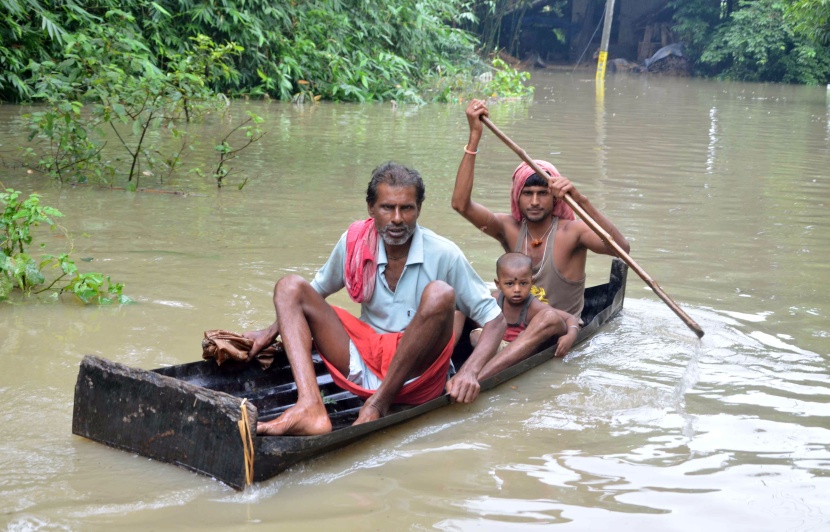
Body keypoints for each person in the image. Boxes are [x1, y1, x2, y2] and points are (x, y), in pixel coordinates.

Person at [245, 162, 506, 436]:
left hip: (418, 373)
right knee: (289, 287)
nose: (397, 218)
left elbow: (496, 321)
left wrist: (470, 372)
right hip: (365, 355)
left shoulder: (444, 252)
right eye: (387, 208)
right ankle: (310, 406)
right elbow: (314, 291)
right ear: (371, 208)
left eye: (406, 208)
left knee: (440, 293)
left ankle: (378, 404)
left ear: (418, 210)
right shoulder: (354, 242)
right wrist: (270, 331)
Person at [451, 99, 630, 370]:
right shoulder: (508, 227)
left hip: (554, 326)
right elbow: (460, 205)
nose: (535, 201)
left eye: (543, 193)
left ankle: (477, 376)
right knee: (457, 296)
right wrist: (474, 137)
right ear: (517, 196)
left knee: (544, 318)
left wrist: (581, 200)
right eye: (528, 193)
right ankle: (438, 368)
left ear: (555, 197)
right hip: (513, 322)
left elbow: (621, 250)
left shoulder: (573, 232)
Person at [471, 252, 579, 381]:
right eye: (510, 284)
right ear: (498, 284)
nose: (517, 289)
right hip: (497, 345)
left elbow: (569, 318)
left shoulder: (534, 306)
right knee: (475, 334)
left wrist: (570, 336)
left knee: (527, 333)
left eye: (523, 283)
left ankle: (488, 371)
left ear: (532, 282)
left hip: (520, 348)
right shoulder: (495, 299)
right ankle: (487, 362)